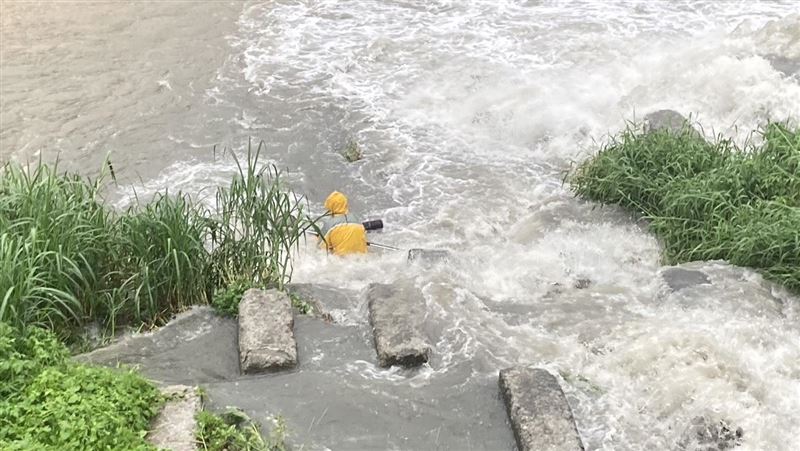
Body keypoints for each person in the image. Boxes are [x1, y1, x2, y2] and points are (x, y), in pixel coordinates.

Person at [319, 191, 368, 256]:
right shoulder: (356, 219)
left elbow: (321, 248)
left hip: (341, 260)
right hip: (362, 258)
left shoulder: (329, 224)